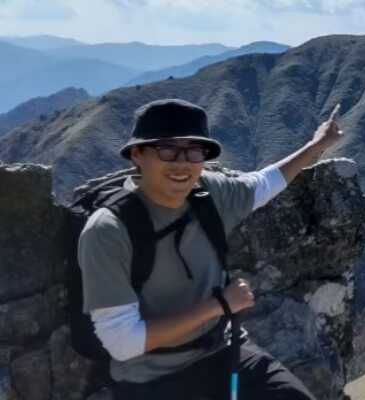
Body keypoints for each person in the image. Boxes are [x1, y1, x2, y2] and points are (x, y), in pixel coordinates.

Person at [78, 98, 344, 399]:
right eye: (167, 150)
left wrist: (316, 145)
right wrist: (217, 306)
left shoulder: (208, 194)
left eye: (194, 151)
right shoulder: (109, 230)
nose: (182, 163)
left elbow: (262, 184)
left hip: (223, 349)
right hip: (152, 377)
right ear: (137, 155)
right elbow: (123, 343)